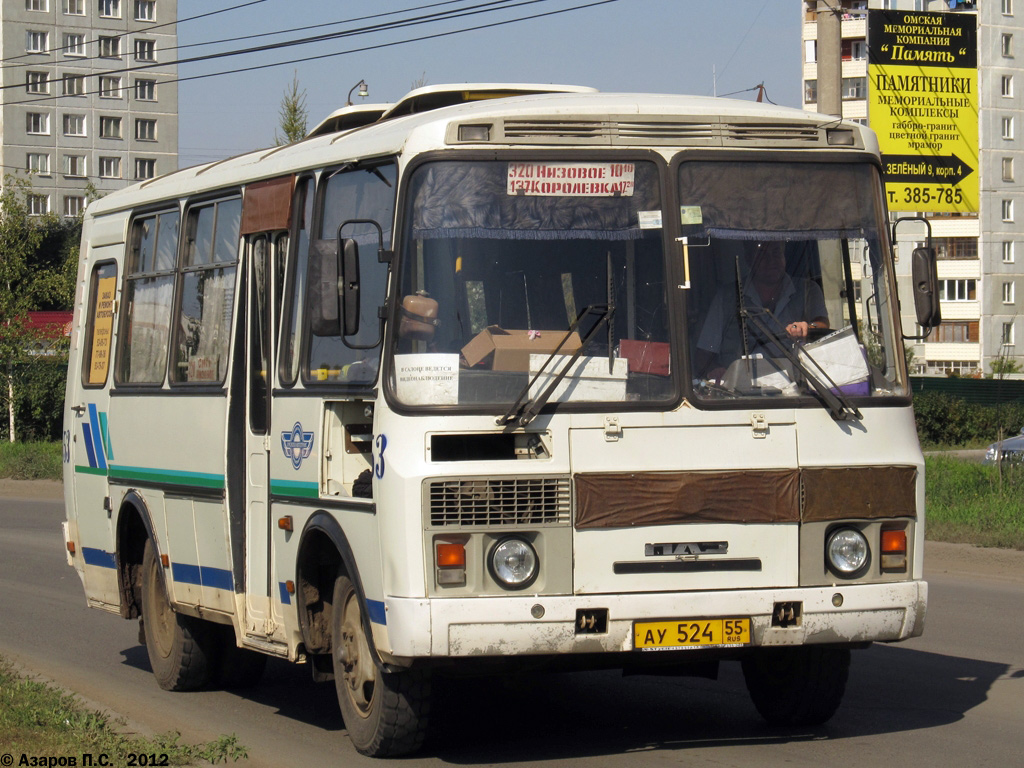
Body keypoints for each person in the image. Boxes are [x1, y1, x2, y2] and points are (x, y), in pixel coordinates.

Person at [695, 240, 829, 382]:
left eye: (776, 252)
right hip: (738, 394)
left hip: (796, 388)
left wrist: (807, 328)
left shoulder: (808, 290)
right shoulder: (726, 297)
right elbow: (703, 355)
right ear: (748, 258)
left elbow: (822, 326)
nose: (771, 260)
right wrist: (715, 371)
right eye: (762, 254)